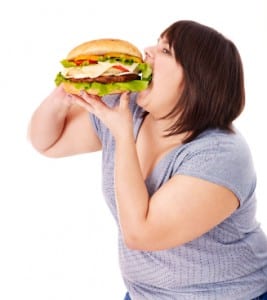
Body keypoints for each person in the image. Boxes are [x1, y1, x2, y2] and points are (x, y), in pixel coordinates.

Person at [28, 20, 267, 299]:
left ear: (196, 79)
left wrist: (122, 136)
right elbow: (48, 142)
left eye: (165, 50)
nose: (147, 51)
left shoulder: (221, 154)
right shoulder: (129, 113)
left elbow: (141, 235)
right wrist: (65, 94)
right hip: (146, 294)